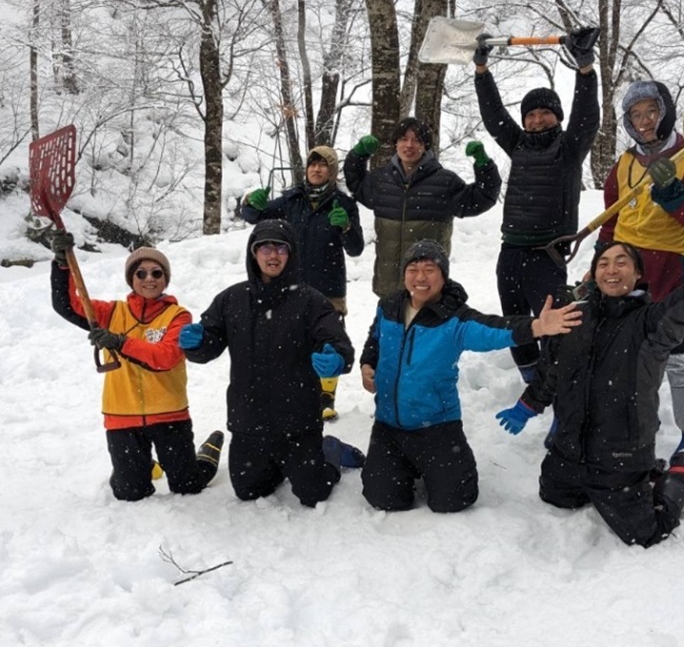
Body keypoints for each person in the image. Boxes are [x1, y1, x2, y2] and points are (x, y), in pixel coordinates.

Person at [495, 235, 684, 547]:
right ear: (593, 274)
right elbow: (551, 372)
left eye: (622, 262)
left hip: (619, 455)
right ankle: (647, 474)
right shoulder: (574, 316)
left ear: (637, 274)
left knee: (645, 533)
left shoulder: (651, 324)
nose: (611, 269)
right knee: (555, 497)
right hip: (568, 450)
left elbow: (679, 311)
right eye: (603, 263)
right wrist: (526, 407)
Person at [359, 239, 582, 513]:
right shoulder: (389, 306)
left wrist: (536, 326)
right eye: (413, 269)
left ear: (443, 275)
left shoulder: (454, 319)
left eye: (429, 269)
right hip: (388, 425)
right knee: (385, 500)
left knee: (454, 500)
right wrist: (366, 365)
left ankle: (439, 465)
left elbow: (495, 329)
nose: (420, 277)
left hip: (436, 425)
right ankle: (404, 463)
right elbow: (374, 341)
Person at [178, 219, 364, 507]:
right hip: (249, 421)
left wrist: (336, 357)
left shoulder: (311, 300)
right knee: (248, 491)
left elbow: (338, 342)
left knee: (313, 493)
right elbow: (208, 344)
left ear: (291, 255)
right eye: (265, 247)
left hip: (298, 420)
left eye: (281, 248)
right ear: (254, 253)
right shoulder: (232, 299)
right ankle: (277, 463)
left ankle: (330, 449)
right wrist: (197, 343)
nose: (273, 255)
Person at [50, 237, 223, 502]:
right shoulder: (111, 313)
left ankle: (207, 454)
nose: (149, 279)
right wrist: (62, 265)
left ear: (165, 279)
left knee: (188, 486)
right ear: (131, 279)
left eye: (157, 273)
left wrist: (120, 342)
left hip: (170, 416)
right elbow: (68, 304)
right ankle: (138, 468)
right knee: (130, 492)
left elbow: (164, 357)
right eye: (140, 273)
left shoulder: (178, 316)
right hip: (122, 416)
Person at [473, 27, 600, 384]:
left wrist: (585, 68)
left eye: (545, 113)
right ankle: (532, 382)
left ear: (557, 117)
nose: (537, 119)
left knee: (553, 323)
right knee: (516, 324)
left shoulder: (570, 147)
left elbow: (587, 116)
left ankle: (557, 385)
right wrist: (482, 71)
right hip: (510, 251)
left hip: (548, 253)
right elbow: (494, 115)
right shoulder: (517, 144)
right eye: (531, 114)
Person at [598, 80, 684, 458]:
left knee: (679, 350)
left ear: (664, 112)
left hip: (672, 264)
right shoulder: (624, 164)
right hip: (629, 266)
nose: (645, 121)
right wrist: (600, 262)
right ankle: (633, 423)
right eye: (636, 115)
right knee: (625, 347)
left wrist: (673, 192)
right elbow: (610, 220)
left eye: (651, 111)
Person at [238, 145, 365, 420]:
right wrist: (250, 204)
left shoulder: (344, 204)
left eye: (323, 165)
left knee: (326, 341)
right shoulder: (291, 200)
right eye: (312, 164)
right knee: (287, 341)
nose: (316, 169)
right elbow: (256, 218)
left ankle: (325, 396)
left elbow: (356, 249)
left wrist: (345, 228)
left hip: (327, 285)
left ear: (331, 172)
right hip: (289, 285)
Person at [344, 117, 501, 298]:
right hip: (388, 289)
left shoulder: (444, 182)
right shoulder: (382, 181)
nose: (409, 145)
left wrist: (484, 165)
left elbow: (482, 197)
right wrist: (358, 154)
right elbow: (355, 182)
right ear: (396, 143)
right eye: (403, 139)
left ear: (425, 146)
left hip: (428, 289)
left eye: (416, 140)